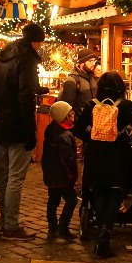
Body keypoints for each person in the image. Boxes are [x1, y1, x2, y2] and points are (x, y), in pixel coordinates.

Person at [74, 71, 132, 258]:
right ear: (121, 88)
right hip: (118, 155)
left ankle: (101, 230)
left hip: (96, 155)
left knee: (98, 192)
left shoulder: (91, 106)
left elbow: (78, 130)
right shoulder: (126, 106)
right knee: (115, 193)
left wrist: (95, 136)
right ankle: (106, 233)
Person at [0, 22, 46, 240]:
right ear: (35, 41)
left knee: (3, 176)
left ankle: (4, 220)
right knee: (16, 177)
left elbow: (2, 87)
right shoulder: (27, 59)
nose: (41, 46)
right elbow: (24, 97)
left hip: (0, 124)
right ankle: (11, 225)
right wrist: (29, 131)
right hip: (17, 125)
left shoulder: (2, 55)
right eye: (41, 42)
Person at [42, 101, 78, 241]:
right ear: (64, 117)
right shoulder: (64, 136)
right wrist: (73, 175)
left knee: (53, 200)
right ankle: (63, 227)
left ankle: (52, 227)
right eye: (70, 113)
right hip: (62, 176)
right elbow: (67, 159)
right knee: (72, 200)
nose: (73, 114)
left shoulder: (51, 130)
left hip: (52, 174)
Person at [58, 48, 100, 114]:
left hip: (93, 120)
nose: (93, 63)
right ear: (81, 63)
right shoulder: (72, 81)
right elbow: (67, 108)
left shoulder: (93, 78)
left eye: (94, 61)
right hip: (78, 122)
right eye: (90, 61)